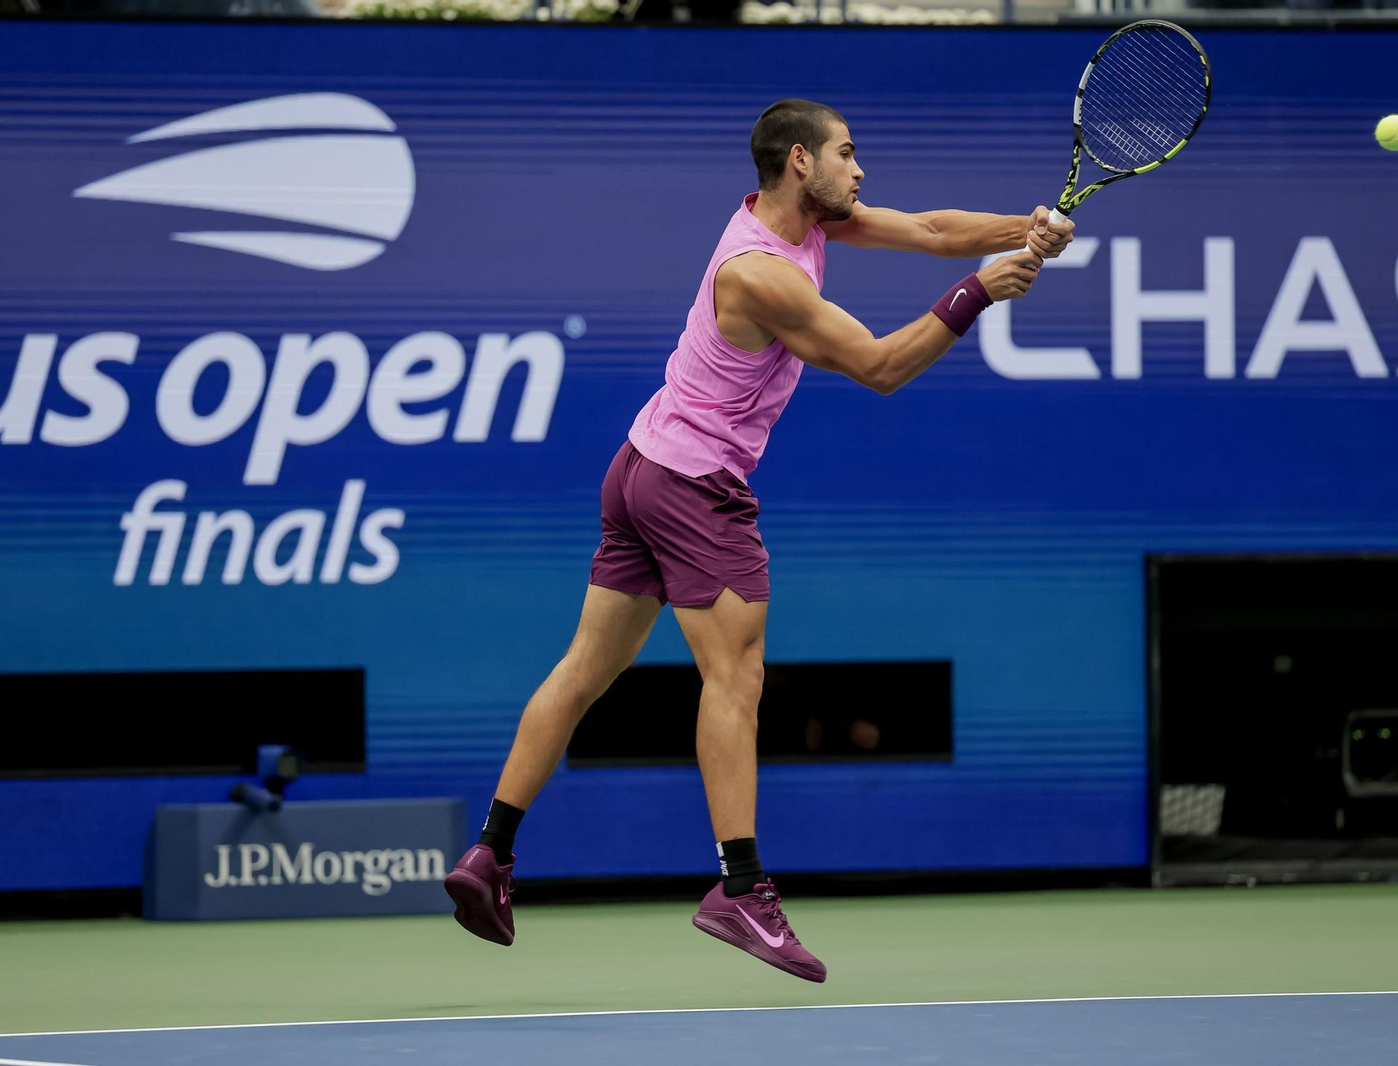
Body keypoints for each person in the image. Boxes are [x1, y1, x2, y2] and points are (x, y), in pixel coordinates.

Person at [444, 98, 1074, 982]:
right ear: (799, 164)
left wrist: (1026, 227)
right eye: (847, 154)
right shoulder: (762, 273)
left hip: (639, 465)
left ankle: (489, 853)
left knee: (586, 669)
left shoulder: (802, 218)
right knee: (734, 678)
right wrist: (982, 290)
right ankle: (740, 888)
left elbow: (931, 229)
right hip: (694, 487)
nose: (861, 171)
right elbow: (881, 367)